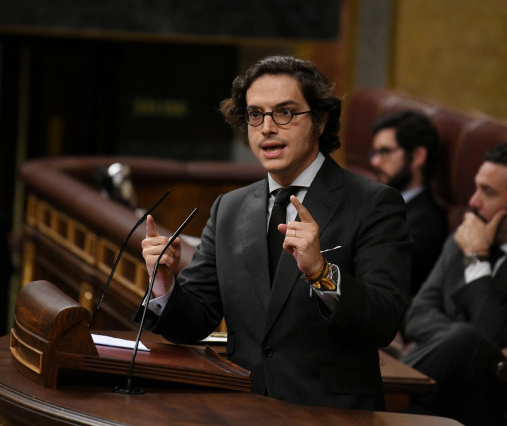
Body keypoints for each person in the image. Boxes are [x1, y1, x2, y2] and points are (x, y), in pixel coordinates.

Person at [138, 55, 412, 410]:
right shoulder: (229, 208)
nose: (267, 128)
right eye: (255, 114)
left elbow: (384, 321)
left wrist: (321, 274)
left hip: (330, 414)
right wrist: (163, 284)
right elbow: (195, 319)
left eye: (284, 112)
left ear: (319, 120)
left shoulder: (374, 203)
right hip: (241, 409)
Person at [401, 143, 507, 425]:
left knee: (466, 339)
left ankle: (368, 395)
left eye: (488, 192)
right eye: (476, 187)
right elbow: (417, 315)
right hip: (445, 384)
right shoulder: (467, 234)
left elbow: (491, 331)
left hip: (502, 391)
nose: (474, 201)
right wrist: (487, 346)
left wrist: (476, 257)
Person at [370, 110, 447, 296]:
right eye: (374, 152)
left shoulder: (426, 224)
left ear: (418, 156)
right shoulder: (376, 199)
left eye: (386, 151)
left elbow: (384, 278)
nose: (375, 162)